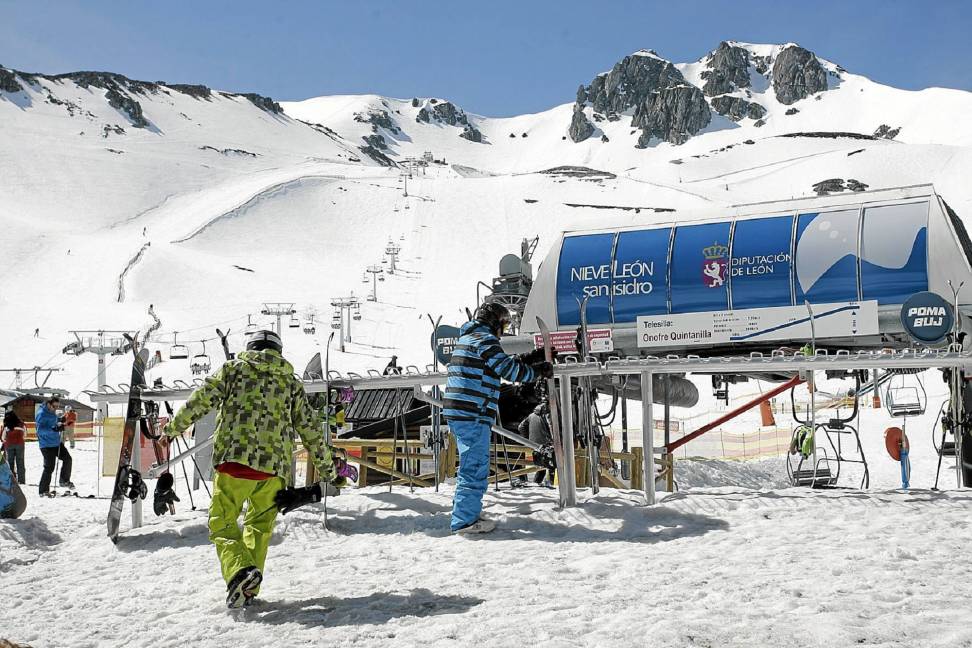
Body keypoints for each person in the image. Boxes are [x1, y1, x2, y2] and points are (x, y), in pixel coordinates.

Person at [163, 329, 338, 609]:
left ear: (250, 347)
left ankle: (239, 572)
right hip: (274, 471)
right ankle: (247, 589)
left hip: (235, 461)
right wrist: (330, 472)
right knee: (258, 528)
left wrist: (172, 428)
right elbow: (310, 429)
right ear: (278, 352)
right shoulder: (290, 383)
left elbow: (201, 400)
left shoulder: (232, 371)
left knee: (223, 523)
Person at [442, 302, 551, 534]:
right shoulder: (485, 339)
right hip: (473, 411)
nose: (503, 331)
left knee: (471, 463)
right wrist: (538, 372)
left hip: (461, 410)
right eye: (504, 325)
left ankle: (466, 511)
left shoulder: (469, 338)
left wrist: (531, 358)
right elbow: (508, 370)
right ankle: (464, 522)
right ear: (496, 323)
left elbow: (496, 364)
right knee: (475, 466)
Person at [36, 396, 73, 495]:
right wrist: (54, 429)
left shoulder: (52, 413)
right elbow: (40, 430)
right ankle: (43, 490)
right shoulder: (41, 414)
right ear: (48, 404)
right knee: (49, 467)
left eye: (57, 407)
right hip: (46, 445)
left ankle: (64, 480)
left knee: (68, 459)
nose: (55, 408)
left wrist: (61, 421)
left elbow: (55, 421)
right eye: (54, 406)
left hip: (56, 443)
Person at [518, 403, 553, 487]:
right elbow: (550, 431)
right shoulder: (546, 417)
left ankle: (537, 482)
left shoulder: (530, 416)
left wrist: (527, 439)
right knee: (549, 463)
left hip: (533, 443)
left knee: (541, 464)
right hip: (544, 444)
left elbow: (520, 427)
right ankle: (546, 483)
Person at [2, 410, 26, 484]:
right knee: (20, 462)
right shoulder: (21, 424)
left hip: (9, 444)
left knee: (10, 462)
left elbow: (3, 437)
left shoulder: (6, 425)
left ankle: (11, 480)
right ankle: (21, 480)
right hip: (20, 444)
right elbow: (25, 435)